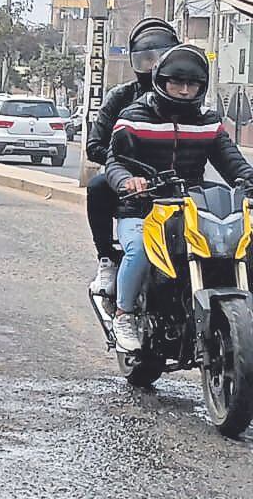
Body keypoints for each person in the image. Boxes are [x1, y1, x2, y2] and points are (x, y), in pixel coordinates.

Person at [104, 45, 253, 351]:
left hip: (190, 206)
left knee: (240, 245)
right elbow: (114, 161)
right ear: (161, 80)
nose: (185, 91)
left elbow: (233, 164)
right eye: (177, 83)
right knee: (141, 251)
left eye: (192, 84)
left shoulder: (208, 123)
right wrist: (127, 181)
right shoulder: (133, 117)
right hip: (141, 207)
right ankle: (124, 314)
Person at [87, 18, 179, 297]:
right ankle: (106, 259)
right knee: (98, 186)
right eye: (147, 58)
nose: (154, 66)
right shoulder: (121, 97)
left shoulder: (189, 99)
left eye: (162, 57)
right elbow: (95, 146)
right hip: (132, 183)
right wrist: (127, 165)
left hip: (177, 184)